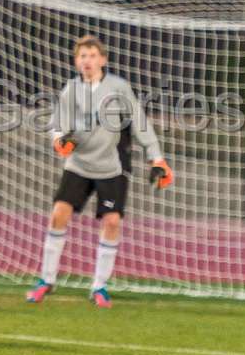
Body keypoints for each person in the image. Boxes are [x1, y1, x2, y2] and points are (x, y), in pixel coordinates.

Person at [26, 35, 174, 308]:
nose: (88, 61)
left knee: (112, 221)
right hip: (78, 165)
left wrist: (158, 158)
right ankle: (46, 280)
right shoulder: (70, 89)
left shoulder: (118, 87)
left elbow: (140, 124)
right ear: (76, 61)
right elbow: (57, 127)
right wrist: (59, 140)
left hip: (111, 166)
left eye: (93, 55)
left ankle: (99, 286)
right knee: (58, 214)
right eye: (83, 56)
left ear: (103, 60)